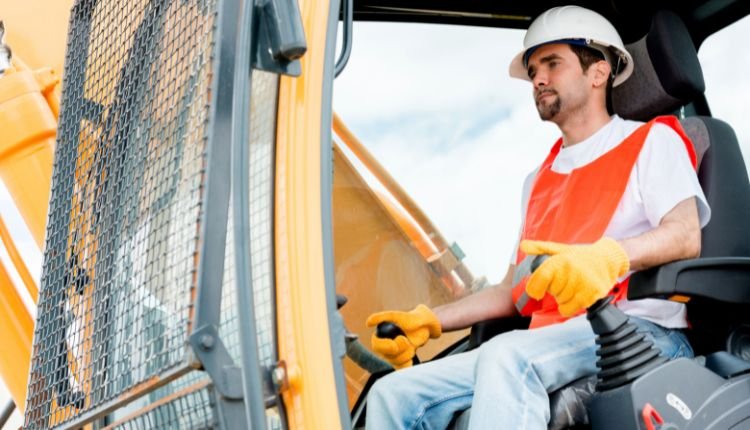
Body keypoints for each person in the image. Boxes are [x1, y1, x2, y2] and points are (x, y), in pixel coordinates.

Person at [364, 5, 711, 430]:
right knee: (393, 393)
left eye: (552, 64)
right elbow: (515, 292)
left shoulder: (652, 141)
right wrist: (433, 320)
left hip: (636, 332)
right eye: (533, 71)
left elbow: (685, 235)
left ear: (598, 72)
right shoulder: (538, 180)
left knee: (506, 356)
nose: (538, 79)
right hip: (551, 342)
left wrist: (608, 258)